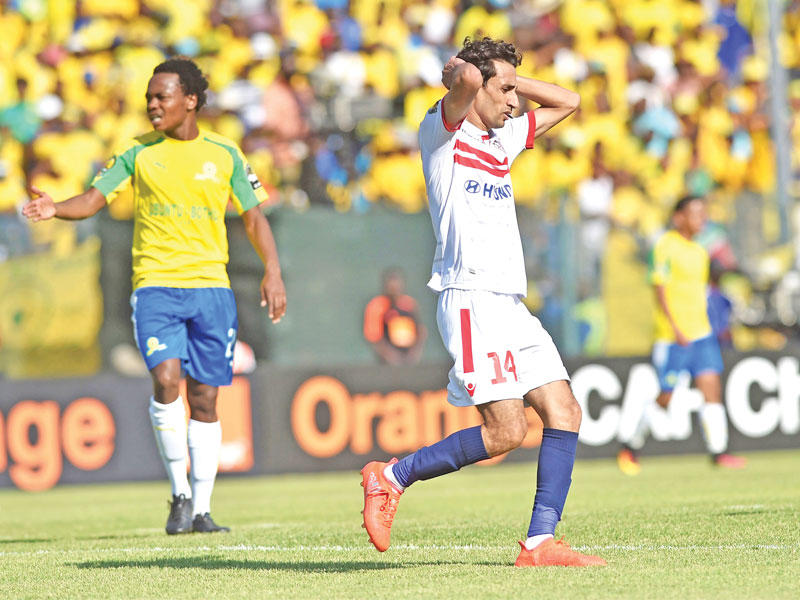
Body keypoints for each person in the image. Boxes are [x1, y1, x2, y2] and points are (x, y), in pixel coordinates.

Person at [360, 38, 606, 567]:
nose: (515, 102)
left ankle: (539, 543)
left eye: (516, 91)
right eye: (506, 91)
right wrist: (471, 73)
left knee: (564, 411)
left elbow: (569, 101)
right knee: (506, 432)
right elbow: (469, 81)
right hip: (470, 297)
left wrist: (509, 77)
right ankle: (392, 477)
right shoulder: (441, 134)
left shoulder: (503, 139)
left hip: (510, 303)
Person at [22, 57, 287, 534]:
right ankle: (179, 495)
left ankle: (202, 510)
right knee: (166, 380)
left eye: (161, 96)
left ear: (191, 100)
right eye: (149, 98)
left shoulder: (225, 153)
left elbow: (253, 217)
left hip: (211, 288)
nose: (152, 105)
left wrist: (273, 270)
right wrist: (55, 208)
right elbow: (94, 199)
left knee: (205, 398)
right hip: (156, 285)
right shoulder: (137, 151)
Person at [617, 196, 745, 476]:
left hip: (702, 334)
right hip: (673, 337)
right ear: (679, 218)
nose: (702, 218)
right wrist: (675, 328)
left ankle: (719, 451)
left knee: (711, 388)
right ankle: (631, 445)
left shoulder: (700, 251)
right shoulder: (665, 246)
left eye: (704, 213)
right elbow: (659, 289)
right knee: (666, 395)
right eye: (695, 213)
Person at [363, 267, 427, 365]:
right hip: (387, 362)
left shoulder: (409, 304)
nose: (394, 289)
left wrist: (413, 355)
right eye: (391, 287)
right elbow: (374, 337)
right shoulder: (377, 305)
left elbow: (421, 331)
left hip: (410, 359)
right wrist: (391, 357)